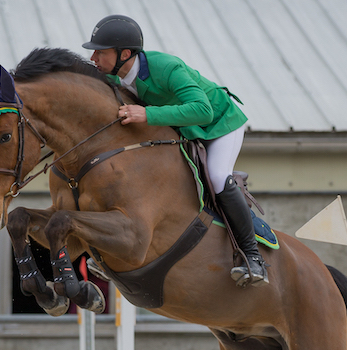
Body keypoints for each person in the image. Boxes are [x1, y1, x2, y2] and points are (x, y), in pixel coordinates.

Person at [82, 15, 268, 287]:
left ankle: (253, 258)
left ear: (124, 54)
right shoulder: (113, 77)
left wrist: (147, 114)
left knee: (217, 176)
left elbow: (203, 110)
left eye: (100, 51)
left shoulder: (166, 67)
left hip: (218, 124)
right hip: (183, 130)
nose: (93, 57)